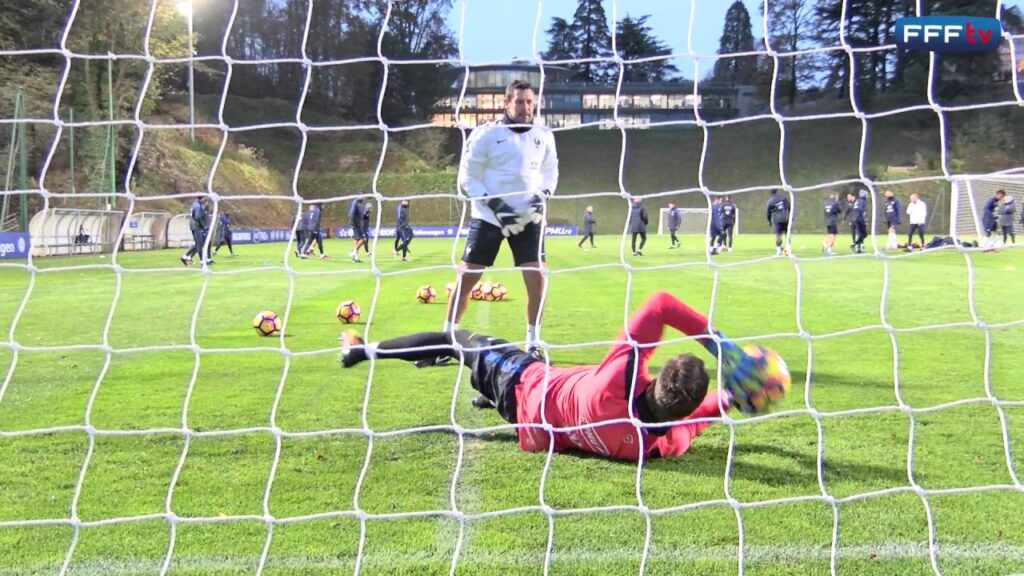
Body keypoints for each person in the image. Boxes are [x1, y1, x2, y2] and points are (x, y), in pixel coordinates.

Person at [340, 291, 751, 461]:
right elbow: (695, 422)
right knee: (493, 382)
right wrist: (731, 398)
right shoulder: (652, 448)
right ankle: (485, 397)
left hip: (522, 382)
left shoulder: (619, 378)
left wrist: (725, 349)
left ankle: (362, 350)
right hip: (533, 429)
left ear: (656, 376)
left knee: (454, 339)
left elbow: (660, 304)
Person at [440, 79, 558, 365]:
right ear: (506, 103)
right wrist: (495, 204)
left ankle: (532, 341)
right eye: (519, 101)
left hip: (527, 218)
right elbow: (467, 177)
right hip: (489, 215)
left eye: (529, 101)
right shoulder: (486, 134)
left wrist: (540, 197)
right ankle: (446, 341)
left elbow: (550, 172)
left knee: (536, 276)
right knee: (468, 276)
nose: (525, 106)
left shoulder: (544, 135)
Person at [181, 197, 212, 265]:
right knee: (200, 243)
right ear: (202, 198)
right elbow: (197, 217)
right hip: (196, 226)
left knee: (200, 243)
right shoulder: (197, 205)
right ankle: (201, 261)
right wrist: (203, 226)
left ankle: (187, 257)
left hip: (195, 225)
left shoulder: (196, 204)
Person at [765, 189, 790, 256]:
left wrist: (769, 221)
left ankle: (779, 251)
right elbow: (789, 207)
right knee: (787, 235)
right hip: (786, 218)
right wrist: (789, 216)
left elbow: (767, 213)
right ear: (777, 192)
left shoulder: (770, 201)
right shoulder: (784, 198)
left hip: (777, 220)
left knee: (778, 235)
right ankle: (788, 250)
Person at [348, 196, 366, 262]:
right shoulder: (355, 203)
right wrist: (351, 224)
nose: (364, 198)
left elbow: (360, 215)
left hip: (359, 225)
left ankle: (355, 257)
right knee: (363, 239)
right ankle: (353, 251)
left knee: (356, 240)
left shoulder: (360, 204)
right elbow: (351, 213)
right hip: (356, 225)